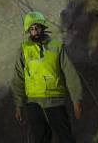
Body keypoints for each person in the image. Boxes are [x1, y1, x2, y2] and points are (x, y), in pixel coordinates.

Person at [12, 11, 83, 143]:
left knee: (66, 137)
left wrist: (76, 99)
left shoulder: (56, 47)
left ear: (43, 28)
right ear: (28, 31)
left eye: (37, 28)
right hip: (34, 104)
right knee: (40, 139)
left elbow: (70, 73)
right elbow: (18, 79)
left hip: (55, 101)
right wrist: (19, 105)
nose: (35, 31)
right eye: (32, 29)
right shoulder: (23, 50)